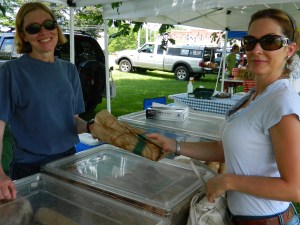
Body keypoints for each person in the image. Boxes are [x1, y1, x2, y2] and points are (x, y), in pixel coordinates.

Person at [149, 8, 300, 225]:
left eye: (270, 42)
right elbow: (225, 149)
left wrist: (228, 181)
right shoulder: (254, 96)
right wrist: (174, 145)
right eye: (250, 41)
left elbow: (294, 189)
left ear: (289, 49)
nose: (256, 49)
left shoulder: (282, 102)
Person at [0, 2, 95, 200]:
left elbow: (71, 121)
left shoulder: (69, 70)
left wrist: (91, 127)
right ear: (23, 35)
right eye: (33, 28)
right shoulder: (11, 72)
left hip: (68, 164)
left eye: (49, 24)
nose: (43, 32)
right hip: (30, 169)